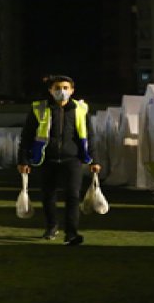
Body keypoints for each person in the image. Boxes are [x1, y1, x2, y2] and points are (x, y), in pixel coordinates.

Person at [17, 74, 100, 245]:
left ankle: (71, 233)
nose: (61, 91)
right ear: (50, 90)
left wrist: (94, 160)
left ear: (72, 90)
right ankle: (51, 227)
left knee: (73, 196)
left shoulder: (80, 109)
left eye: (65, 88)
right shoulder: (39, 108)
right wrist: (23, 160)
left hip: (73, 159)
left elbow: (89, 136)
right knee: (48, 195)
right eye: (57, 88)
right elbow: (26, 136)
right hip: (46, 158)